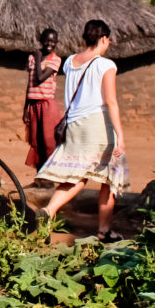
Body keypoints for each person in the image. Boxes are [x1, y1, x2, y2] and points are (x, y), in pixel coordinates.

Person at [35, 20, 129, 242]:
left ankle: (49, 210)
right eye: (109, 40)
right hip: (98, 125)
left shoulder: (69, 62)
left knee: (77, 174)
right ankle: (103, 230)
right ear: (104, 38)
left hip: (74, 125)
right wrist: (120, 136)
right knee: (108, 177)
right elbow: (111, 102)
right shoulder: (106, 65)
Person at [24, 29, 63, 174]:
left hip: (47, 105)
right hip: (34, 105)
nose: (49, 44)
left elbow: (40, 78)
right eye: (47, 40)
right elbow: (30, 84)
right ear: (41, 40)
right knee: (36, 142)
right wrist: (25, 108)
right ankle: (40, 176)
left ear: (56, 43)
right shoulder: (31, 58)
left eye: (53, 41)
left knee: (48, 142)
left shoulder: (55, 60)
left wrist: (39, 58)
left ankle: (50, 176)